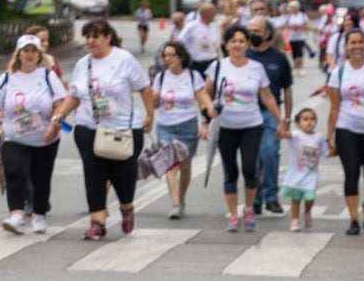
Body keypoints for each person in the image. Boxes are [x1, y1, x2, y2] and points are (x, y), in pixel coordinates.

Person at [48, 18, 154, 241]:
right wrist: (59, 116)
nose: (90, 41)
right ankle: (97, 222)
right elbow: (75, 95)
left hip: (124, 128)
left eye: (95, 36)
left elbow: (144, 88)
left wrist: (149, 115)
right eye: (87, 36)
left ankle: (126, 207)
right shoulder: (83, 64)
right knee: (93, 174)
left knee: (123, 176)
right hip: (89, 126)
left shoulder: (124, 59)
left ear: (108, 37)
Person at [201, 24, 283, 232]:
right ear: (226, 45)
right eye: (233, 41)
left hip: (251, 125)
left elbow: (267, 95)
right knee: (230, 171)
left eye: (241, 41)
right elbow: (205, 92)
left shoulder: (256, 68)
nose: (237, 45)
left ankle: (248, 208)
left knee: (249, 168)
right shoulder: (218, 67)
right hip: (225, 126)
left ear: (247, 44)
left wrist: (281, 119)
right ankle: (234, 215)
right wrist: (210, 108)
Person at [0, 34, 67, 235]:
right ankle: (16, 215)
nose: (29, 54)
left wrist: (55, 124)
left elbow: (61, 102)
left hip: (44, 137)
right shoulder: (7, 78)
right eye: (25, 50)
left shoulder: (47, 76)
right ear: (18, 54)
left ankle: (39, 214)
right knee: (14, 171)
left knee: (40, 178)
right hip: (13, 136)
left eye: (33, 51)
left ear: (39, 54)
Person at [325, 28, 364, 236]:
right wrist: (330, 135)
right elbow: (334, 107)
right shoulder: (338, 73)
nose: (357, 47)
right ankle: (353, 219)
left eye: (360, 42)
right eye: (352, 43)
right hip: (347, 127)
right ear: (345, 47)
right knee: (351, 173)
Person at [152, 41, 212, 219]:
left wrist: (204, 124)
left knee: (185, 165)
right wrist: (154, 98)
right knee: (171, 165)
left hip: (187, 124)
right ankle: (175, 203)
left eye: (171, 55)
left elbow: (201, 101)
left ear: (181, 57)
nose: (168, 58)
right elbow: (154, 104)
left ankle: (181, 197)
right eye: (165, 55)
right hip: (166, 125)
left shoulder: (193, 76)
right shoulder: (161, 78)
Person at [246, 15, 295, 218]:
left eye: (256, 31)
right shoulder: (244, 56)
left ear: (267, 33)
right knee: (254, 157)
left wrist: (287, 118)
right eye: (249, 31)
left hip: (270, 114)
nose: (252, 35)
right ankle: (255, 199)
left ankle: (271, 197)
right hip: (248, 113)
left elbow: (287, 90)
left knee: (269, 152)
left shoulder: (278, 58)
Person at [281, 108, 327, 232]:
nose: (309, 122)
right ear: (298, 122)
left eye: (312, 119)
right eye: (305, 119)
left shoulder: (319, 137)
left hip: (311, 174)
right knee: (295, 199)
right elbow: (283, 135)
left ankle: (307, 211)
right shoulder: (296, 135)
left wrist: (336, 147)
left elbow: (326, 152)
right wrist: (283, 123)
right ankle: (294, 220)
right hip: (296, 174)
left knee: (310, 197)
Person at [179, 2, 222, 78]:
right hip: (195, 63)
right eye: (213, 12)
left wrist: (218, 57)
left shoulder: (214, 26)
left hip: (212, 61)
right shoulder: (191, 26)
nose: (215, 14)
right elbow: (180, 42)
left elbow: (215, 44)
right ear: (206, 13)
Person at [284, 0, 311, 74]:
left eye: (294, 7)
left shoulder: (302, 15)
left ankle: (301, 66)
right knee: (294, 52)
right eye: (292, 7)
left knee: (300, 52)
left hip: (300, 36)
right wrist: (291, 26)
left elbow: (307, 25)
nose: (293, 9)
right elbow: (285, 25)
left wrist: (299, 26)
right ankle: (295, 66)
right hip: (292, 37)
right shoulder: (289, 16)